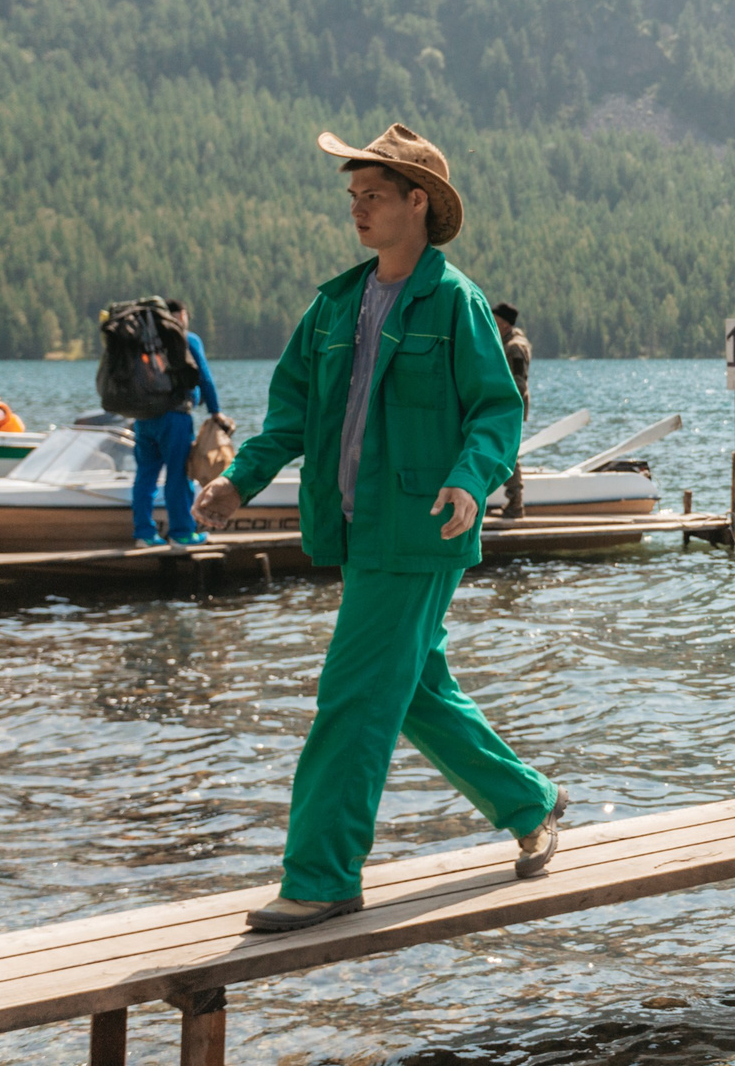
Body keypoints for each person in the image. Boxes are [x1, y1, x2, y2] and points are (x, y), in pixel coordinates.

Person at [193, 123, 562, 932]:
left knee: (354, 694)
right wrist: (237, 482)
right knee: (417, 690)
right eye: (351, 196)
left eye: (372, 195)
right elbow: (288, 415)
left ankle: (322, 875)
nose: (355, 209)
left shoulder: (455, 302)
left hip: (421, 530)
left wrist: (471, 480)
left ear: (417, 203)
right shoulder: (332, 306)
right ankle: (530, 802)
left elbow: (496, 411)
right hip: (357, 532)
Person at [132, 301, 221, 548]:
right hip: (175, 417)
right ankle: (181, 534)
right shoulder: (186, 339)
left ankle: (144, 534)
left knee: (145, 476)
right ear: (181, 315)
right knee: (178, 475)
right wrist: (216, 412)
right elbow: (205, 377)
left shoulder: (142, 343)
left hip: (143, 417)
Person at [493, 302, 532, 518]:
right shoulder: (509, 343)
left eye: (496, 322)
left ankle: (516, 503)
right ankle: (513, 501)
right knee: (507, 450)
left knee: (510, 452)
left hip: (511, 405)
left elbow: (519, 381)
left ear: (505, 325)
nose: (492, 325)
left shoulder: (515, 347)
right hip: (508, 404)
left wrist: (507, 404)